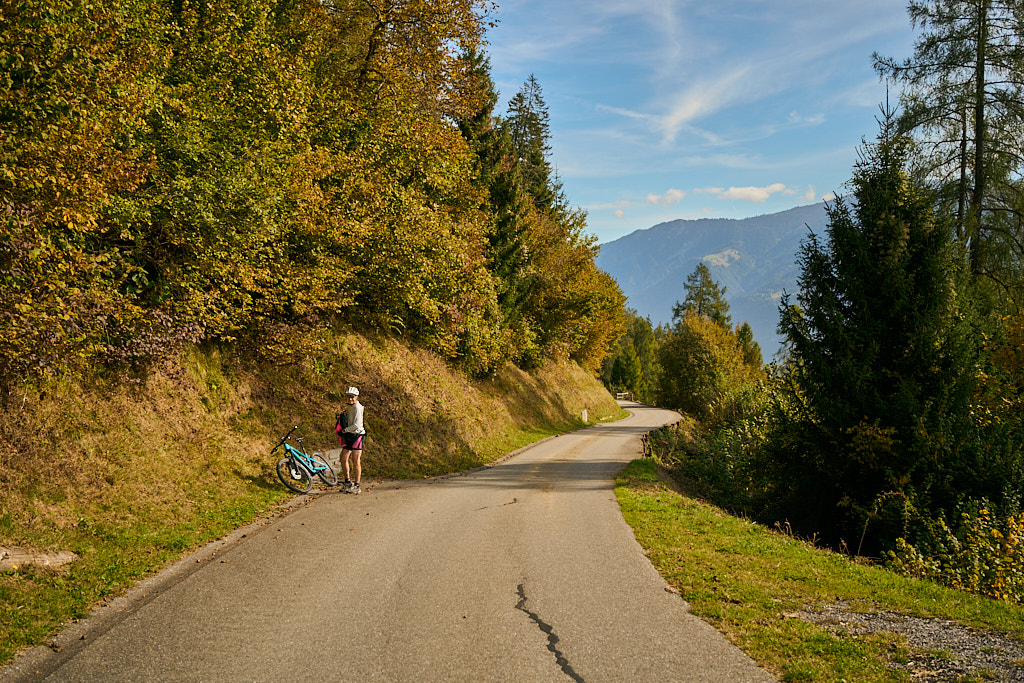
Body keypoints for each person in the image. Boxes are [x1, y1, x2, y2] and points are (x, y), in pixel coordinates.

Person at [338, 387, 366, 494]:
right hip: (349, 434)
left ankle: (357, 485)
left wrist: (345, 430)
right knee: (343, 458)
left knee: (355, 461)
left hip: (357, 435)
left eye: (352, 397)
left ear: (356, 397)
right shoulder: (349, 407)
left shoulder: (358, 408)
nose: (350, 399)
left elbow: (356, 425)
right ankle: (347, 482)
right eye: (348, 397)